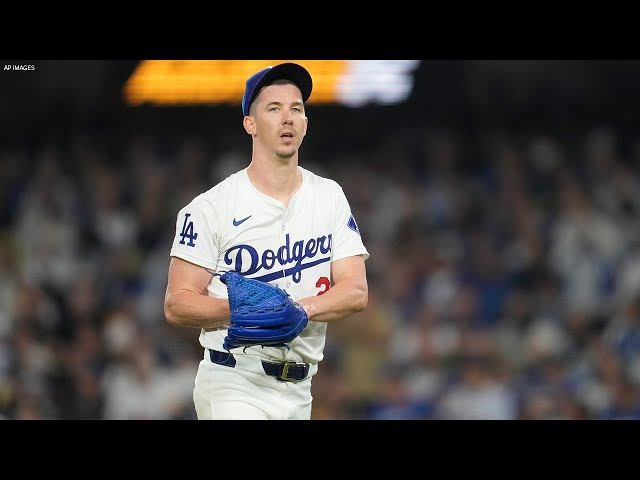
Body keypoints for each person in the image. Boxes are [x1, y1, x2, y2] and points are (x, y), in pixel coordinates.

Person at [164, 62, 370, 420]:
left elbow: (356, 291)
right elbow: (177, 304)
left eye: (296, 109)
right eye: (274, 109)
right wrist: (244, 310)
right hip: (235, 378)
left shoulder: (329, 195)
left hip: (301, 388)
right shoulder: (211, 207)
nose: (287, 118)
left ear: (306, 124)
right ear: (251, 124)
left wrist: (302, 309)